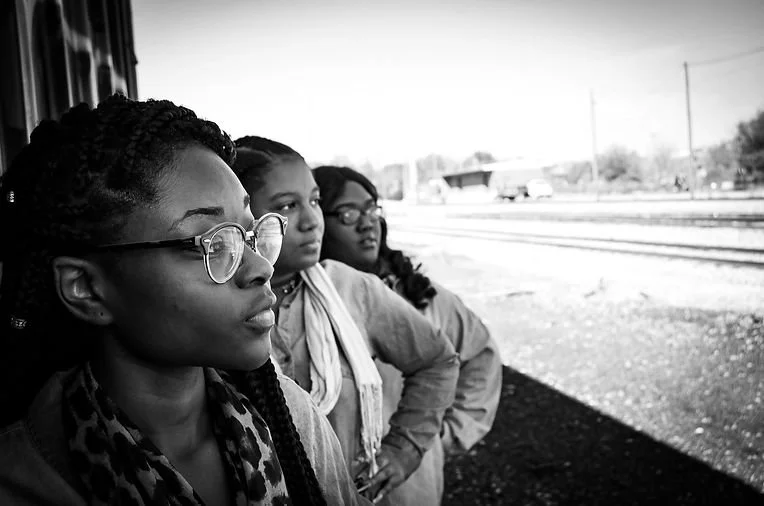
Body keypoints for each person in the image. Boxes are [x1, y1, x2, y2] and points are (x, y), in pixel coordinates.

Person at [0, 95, 370, 506]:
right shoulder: (23, 481)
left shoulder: (291, 418)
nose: (261, 268)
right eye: (212, 243)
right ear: (85, 287)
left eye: (249, 234)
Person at [231, 136, 460, 505]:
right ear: (241, 215)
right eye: (288, 205)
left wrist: (404, 449)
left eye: (315, 201)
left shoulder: (351, 289)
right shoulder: (217, 306)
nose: (312, 221)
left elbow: (438, 360)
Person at [313, 165, 503, 505]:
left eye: (372, 209)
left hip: (410, 491)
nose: (367, 223)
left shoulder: (420, 296)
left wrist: (438, 436)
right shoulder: (301, 306)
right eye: (347, 214)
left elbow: (480, 356)